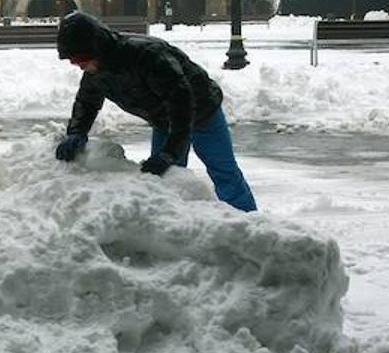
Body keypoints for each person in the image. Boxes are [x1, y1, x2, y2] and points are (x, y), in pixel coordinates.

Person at [53, 11, 258, 212]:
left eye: (81, 57)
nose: (78, 64)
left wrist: (169, 152)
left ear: (97, 47)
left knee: (222, 170)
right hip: (163, 120)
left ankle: (248, 223)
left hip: (203, 111)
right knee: (165, 179)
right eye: (73, 59)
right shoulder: (96, 71)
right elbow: (86, 102)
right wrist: (76, 132)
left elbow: (181, 103)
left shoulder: (148, 56)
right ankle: (174, 224)